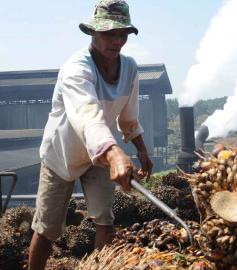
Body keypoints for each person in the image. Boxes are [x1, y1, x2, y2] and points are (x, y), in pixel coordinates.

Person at [27, 1, 153, 269]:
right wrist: (115, 151)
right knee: (47, 229)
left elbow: (128, 118)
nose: (117, 41)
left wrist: (141, 150)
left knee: (104, 222)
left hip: (100, 155)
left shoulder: (129, 68)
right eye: (110, 33)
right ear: (93, 32)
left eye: (123, 34)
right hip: (63, 154)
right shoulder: (76, 69)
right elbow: (87, 115)